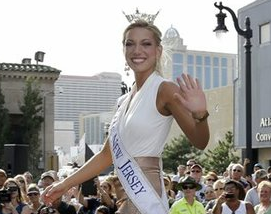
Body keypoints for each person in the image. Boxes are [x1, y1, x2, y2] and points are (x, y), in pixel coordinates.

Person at [42, 19, 209, 214]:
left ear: (158, 50)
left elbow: (200, 141)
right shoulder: (123, 101)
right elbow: (106, 155)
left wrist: (200, 114)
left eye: (146, 44)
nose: (137, 50)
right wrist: (64, 184)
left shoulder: (164, 89)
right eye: (130, 44)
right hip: (126, 192)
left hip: (146, 194)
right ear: (124, 50)